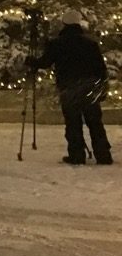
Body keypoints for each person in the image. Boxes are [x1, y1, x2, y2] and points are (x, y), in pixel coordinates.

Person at [28, 9, 112, 165]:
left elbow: (45, 62)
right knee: (95, 122)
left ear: (64, 24)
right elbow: (101, 67)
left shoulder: (57, 44)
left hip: (69, 87)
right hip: (89, 87)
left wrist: (32, 62)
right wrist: (101, 86)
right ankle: (103, 154)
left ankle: (76, 154)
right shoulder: (90, 43)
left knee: (73, 123)